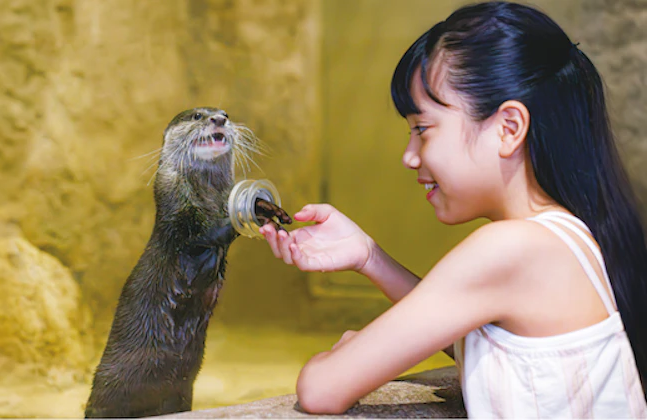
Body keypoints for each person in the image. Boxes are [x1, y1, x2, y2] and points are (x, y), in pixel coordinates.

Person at [259, 1, 647, 417]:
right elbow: (477, 333)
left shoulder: (513, 246)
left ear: (508, 128)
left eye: (422, 129)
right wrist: (369, 257)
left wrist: (351, 354)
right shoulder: (569, 234)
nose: (410, 156)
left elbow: (322, 390)